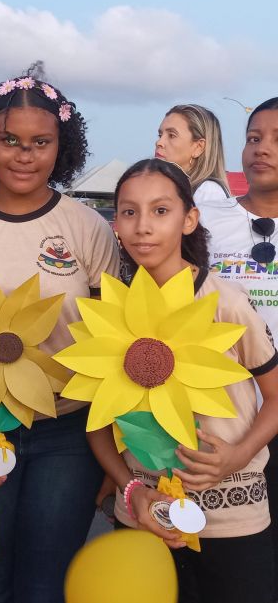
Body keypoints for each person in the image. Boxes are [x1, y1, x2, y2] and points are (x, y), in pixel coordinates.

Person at [0, 72, 119, 603]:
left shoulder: (88, 228)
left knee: (44, 585)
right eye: (9, 140)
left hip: (68, 433)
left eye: (41, 142)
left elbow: (114, 344)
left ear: (63, 146)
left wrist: (116, 453)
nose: (24, 155)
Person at [90, 158, 278, 603]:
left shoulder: (225, 303)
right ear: (115, 222)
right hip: (144, 514)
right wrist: (132, 490)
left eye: (160, 211)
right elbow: (97, 425)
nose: (142, 226)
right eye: (129, 211)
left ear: (189, 219)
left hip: (233, 521)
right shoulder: (107, 311)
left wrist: (238, 455)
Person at [199, 97, 278, 598]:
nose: (262, 149)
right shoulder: (206, 217)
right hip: (218, 418)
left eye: (276, 140)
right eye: (253, 138)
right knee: (223, 565)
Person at [155, 104, 230, 204]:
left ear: (198, 147)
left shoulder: (208, 192)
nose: (159, 142)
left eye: (171, 135)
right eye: (160, 135)